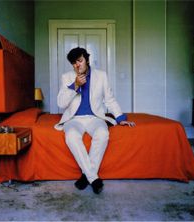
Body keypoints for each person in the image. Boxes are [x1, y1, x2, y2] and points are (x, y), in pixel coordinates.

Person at [54, 47, 135, 194]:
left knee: (103, 134)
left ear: (87, 59)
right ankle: (93, 178)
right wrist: (75, 85)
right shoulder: (66, 77)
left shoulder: (101, 76)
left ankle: (86, 176)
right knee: (71, 136)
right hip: (74, 119)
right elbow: (61, 103)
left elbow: (109, 100)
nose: (77, 65)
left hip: (94, 117)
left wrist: (120, 118)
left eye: (80, 61)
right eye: (73, 63)